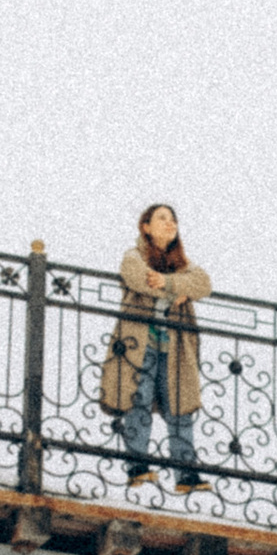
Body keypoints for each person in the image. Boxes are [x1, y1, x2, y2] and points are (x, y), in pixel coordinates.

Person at [101, 202, 214, 492]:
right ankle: (137, 466)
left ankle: (186, 475)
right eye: (162, 218)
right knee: (138, 401)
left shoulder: (183, 266)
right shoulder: (133, 256)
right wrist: (178, 288)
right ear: (146, 227)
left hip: (174, 349)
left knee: (180, 408)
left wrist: (168, 281)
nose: (170, 223)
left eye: (173, 219)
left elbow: (203, 283)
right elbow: (139, 279)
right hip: (139, 344)